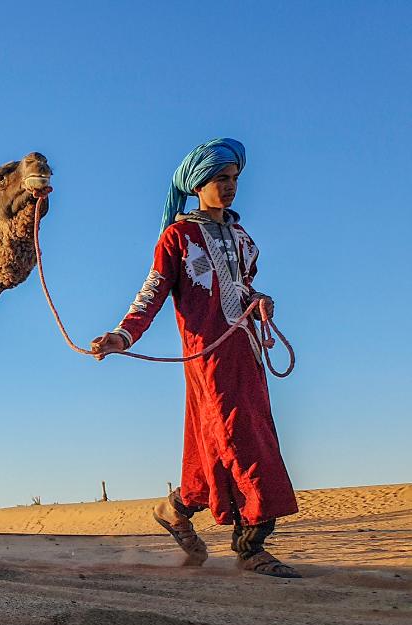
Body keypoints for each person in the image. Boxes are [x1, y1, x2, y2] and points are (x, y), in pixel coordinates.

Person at [91, 138, 301, 579]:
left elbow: (240, 288)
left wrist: (259, 299)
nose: (229, 187)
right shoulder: (178, 237)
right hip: (208, 361)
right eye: (219, 179)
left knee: (233, 442)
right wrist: (122, 335)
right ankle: (250, 547)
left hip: (246, 352)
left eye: (233, 179)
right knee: (239, 440)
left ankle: (176, 508)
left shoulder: (244, 239)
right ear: (197, 185)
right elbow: (152, 293)